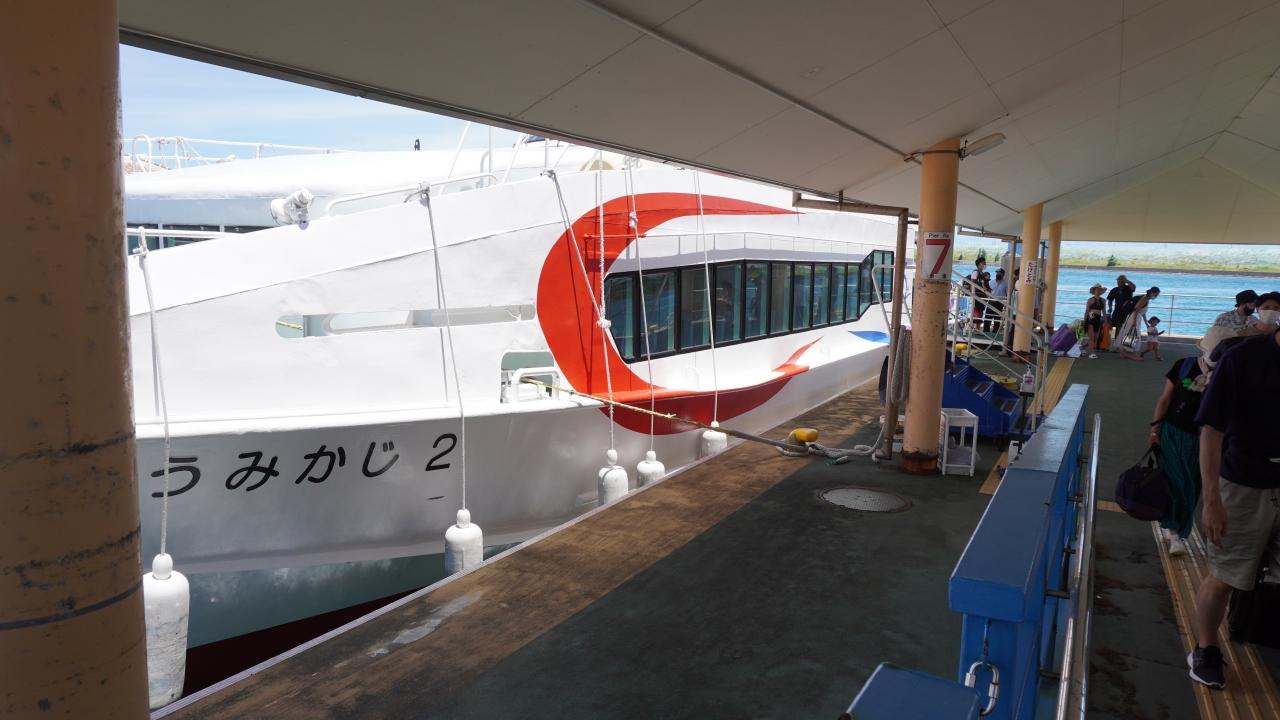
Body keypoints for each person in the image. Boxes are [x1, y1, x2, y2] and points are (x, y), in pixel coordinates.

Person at [1187, 309, 1280, 690]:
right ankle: (1205, 649)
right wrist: (1212, 501)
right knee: (1225, 576)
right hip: (1243, 484)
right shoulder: (1243, 357)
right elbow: (1211, 432)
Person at [1147, 328, 1226, 556]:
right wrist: (1155, 430)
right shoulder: (1184, 365)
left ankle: (1177, 527)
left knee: (1193, 485)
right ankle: (1175, 533)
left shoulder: (1228, 376)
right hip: (1173, 433)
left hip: (1207, 441)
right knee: (1176, 481)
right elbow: (1165, 399)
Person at [1114, 286, 1159, 359]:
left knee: (1131, 334)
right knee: (1133, 334)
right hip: (1134, 317)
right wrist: (1134, 321)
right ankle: (1128, 352)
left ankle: (1125, 352)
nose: (1156, 297)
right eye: (1155, 295)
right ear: (1152, 293)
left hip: (1136, 317)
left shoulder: (1146, 299)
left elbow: (1142, 312)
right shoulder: (1144, 299)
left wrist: (1146, 323)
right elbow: (1137, 310)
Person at [1108, 275, 1136, 340]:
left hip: (1127, 311)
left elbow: (1134, 287)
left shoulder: (1128, 288)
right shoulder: (1114, 290)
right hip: (1117, 311)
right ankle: (1111, 339)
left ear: (1124, 282)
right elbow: (1110, 300)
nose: (1119, 283)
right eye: (1118, 281)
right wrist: (1110, 308)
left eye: (1121, 281)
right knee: (1113, 326)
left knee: (1123, 327)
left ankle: (1121, 340)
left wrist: (1126, 281)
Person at [1083, 283, 1106, 359]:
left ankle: (1084, 348)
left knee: (1096, 337)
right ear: (1094, 290)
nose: (1098, 291)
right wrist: (1085, 321)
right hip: (1091, 318)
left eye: (1100, 289)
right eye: (1097, 289)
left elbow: (1104, 311)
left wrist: (1105, 321)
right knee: (1091, 337)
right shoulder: (1090, 300)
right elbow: (1087, 311)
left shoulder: (1103, 300)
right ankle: (1092, 353)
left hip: (1098, 319)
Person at [988, 267, 1008, 335]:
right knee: (987, 317)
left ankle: (995, 333)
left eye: (999, 273)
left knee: (997, 319)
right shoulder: (991, 282)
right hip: (990, 301)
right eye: (997, 273)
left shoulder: (1006, 284)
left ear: (1003, 274)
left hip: (999, 303)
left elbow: (1007, 294)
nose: (998, 274)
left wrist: (1006, 303)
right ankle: (986, 331)